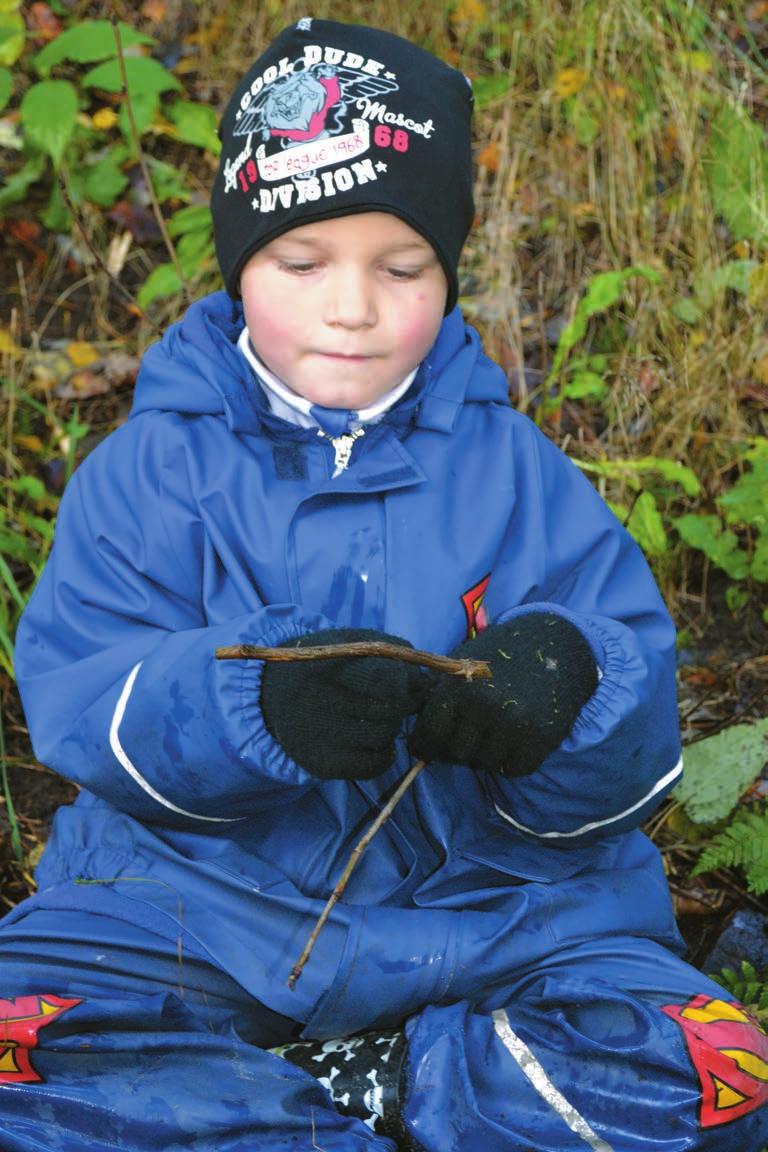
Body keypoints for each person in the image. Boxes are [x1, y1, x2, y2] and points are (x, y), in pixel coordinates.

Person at [1, 17, 766, 1152]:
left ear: (448, 270)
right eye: (300, 263)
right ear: (237, 262)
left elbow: (636, 764)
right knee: (19, 1052)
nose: (350, 308)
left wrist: (565, 689)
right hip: (191, 914)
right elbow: (83, 704)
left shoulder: (521, 474)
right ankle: (319, 1109)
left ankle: (381, 1085)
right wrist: (246, 708)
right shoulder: (150, 473)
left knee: (718, 1078)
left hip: (508, 921)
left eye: (401, 268)